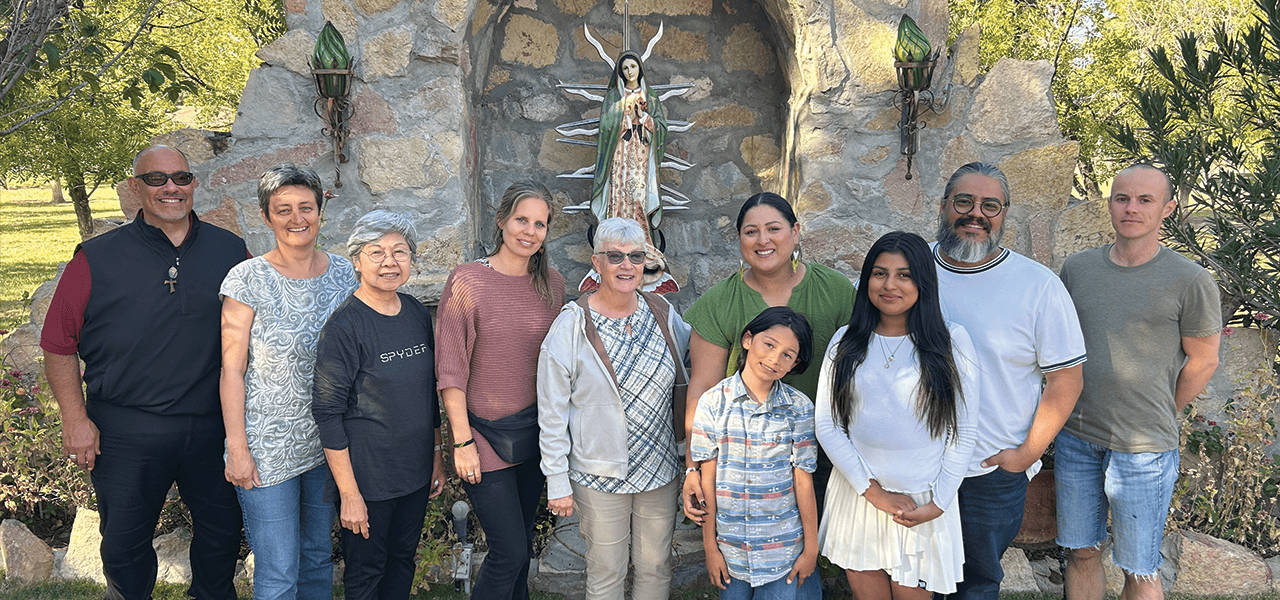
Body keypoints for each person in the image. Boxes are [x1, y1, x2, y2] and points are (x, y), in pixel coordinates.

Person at [40, 145, 246, 600]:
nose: (170, 188)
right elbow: (57, 344)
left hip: (213, 425)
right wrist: (75, 419)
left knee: (223, 535)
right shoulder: (94, 258)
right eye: (156, 179)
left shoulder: (231, 251)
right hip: (126, 428)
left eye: (181, 177)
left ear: (193, 184)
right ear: (136, 188)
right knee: (126, 543)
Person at [1056, 163, 1221, 600]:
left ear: (1168, 208)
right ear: (1109, 204)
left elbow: (1203, 361)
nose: (1131, 208)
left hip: (1144, 448)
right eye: (1122, 198)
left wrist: (1162, 410)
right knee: (1082, 553)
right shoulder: (1077, 269)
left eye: (1145, 200)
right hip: (1076, 436)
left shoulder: (1190, 280)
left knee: (1140, 570)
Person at [931, 162, 1086, 600]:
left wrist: (1027, 454)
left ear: (1004, 214)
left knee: (975, 585)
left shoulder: (1037, 286)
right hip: (914, 465)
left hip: (989, 470)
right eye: (964, 201)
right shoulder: (908, 270)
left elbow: (1066, 380)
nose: (975, 213)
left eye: (990, 205)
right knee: (913, 580)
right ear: (944, 206)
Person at [816, 231, 979, 597]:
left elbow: (963, 430)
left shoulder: (952, 343)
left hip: (921, 502)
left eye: (904, 275)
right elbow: (827, 424)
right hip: (859, 495)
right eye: (879, 273)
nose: (890, 285)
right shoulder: (845, 342)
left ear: (923, 282)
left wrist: (939, 501)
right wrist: (873, 492)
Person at [219, 163, 356, 599]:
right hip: (266, 447)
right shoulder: (247, 279)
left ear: (320, 212)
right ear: (266, 216)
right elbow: (231, 370)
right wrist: (238, 449)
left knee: (317, 557)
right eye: (284, 210)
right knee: (278, 570)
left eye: (306, 207)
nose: (297, 219)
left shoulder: (345, 275)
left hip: (325, 445)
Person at [538, 217, 691, 600]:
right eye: (615, 257)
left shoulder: (663, 314)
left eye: (636, 257)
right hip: (598, 474)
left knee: (655, 567)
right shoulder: (571, 325)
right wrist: (556, 480)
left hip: (659, 468)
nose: (627, 266)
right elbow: (552, 411)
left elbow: (698, 361)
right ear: (596, 262)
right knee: (606, 573)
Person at [682, 192, 855, 523]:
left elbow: (859, 372)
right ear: (739, 239)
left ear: (795, 232)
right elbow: (702, 388)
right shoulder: (719, 302)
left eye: (773, 229)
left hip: (824, 453)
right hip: (744, 463)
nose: (763, 240)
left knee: (824, 551)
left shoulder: (834, 290)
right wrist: (694, 465)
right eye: (751, 232)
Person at [436, 181, 566, 600]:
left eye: (540, 224)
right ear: (501, 221)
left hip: (534, 433)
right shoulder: (468, 281)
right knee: (508, 552)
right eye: (521, 220)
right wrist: (462, 441)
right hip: (483, 436)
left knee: (521, 548)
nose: (529, 231)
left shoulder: (554, 287)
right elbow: (451, 369)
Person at [313, 210, 446, 600]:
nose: (390, 261)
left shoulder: (417, 313)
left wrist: (436, 455)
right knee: (366, 573)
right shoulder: (343, 327)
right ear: (356, 261)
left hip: (415, 472)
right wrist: (349, 494)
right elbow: (327, 412)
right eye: (376, 252)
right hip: (368, 479)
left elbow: (428, 394)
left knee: (402, 560)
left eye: (400, 252)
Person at [692, 306, 821, 600]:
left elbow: (803, 481)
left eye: (788, 354)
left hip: (783, 552)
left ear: (794, 364)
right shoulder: (713, 403)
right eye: (769, 345)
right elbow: (707, 480)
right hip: (731, 551)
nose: (774, 359)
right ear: (748, 339)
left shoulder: (798, 408)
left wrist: (810, 548)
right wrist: (711, 549)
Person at [592, 50, 668, 267]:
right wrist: (622, 119)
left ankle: (642, 247)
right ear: (620, 72)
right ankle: (614, 250)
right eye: (625, 68)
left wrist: (645, 118)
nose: (629, 71)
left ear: (639, 68)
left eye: (633, 66)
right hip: (620, 154)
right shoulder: (614, 97)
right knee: (619, 195)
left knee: (638, 196)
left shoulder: (650, 96)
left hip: (642, 154)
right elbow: (606, 126)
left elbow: (662, 127)